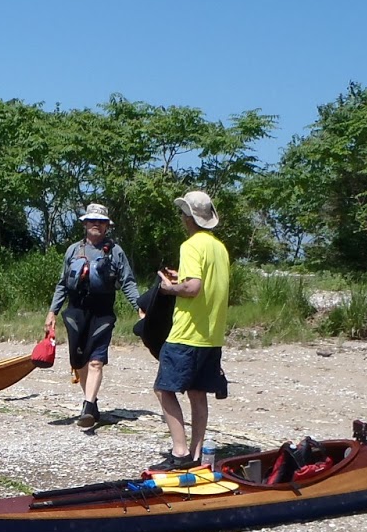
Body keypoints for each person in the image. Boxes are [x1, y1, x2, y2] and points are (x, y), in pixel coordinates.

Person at [45, 204, 142, 429]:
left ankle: (87, 407)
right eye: (92, 221)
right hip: (76, 311)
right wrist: (53, 311)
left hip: (102, 312)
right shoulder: (72, 250)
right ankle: (93, 402)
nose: (96, 224)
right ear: (85, 224)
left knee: (96, 361)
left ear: (107, 226)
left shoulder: (116, 252)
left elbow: (128, 282)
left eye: (101, 221)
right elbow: (62, 284)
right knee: (79, 361)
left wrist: (140, 306)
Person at [153, 190, 231, 468]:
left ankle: (180, 451)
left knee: (163, 389)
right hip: (212, 335)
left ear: (189, 217)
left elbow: (194, 287)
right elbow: (207, 282)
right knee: (197, 393)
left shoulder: (191, 246)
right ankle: (198, 455)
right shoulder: (219, 247)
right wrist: (181, 278)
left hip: (187, 333)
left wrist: (169, 287)